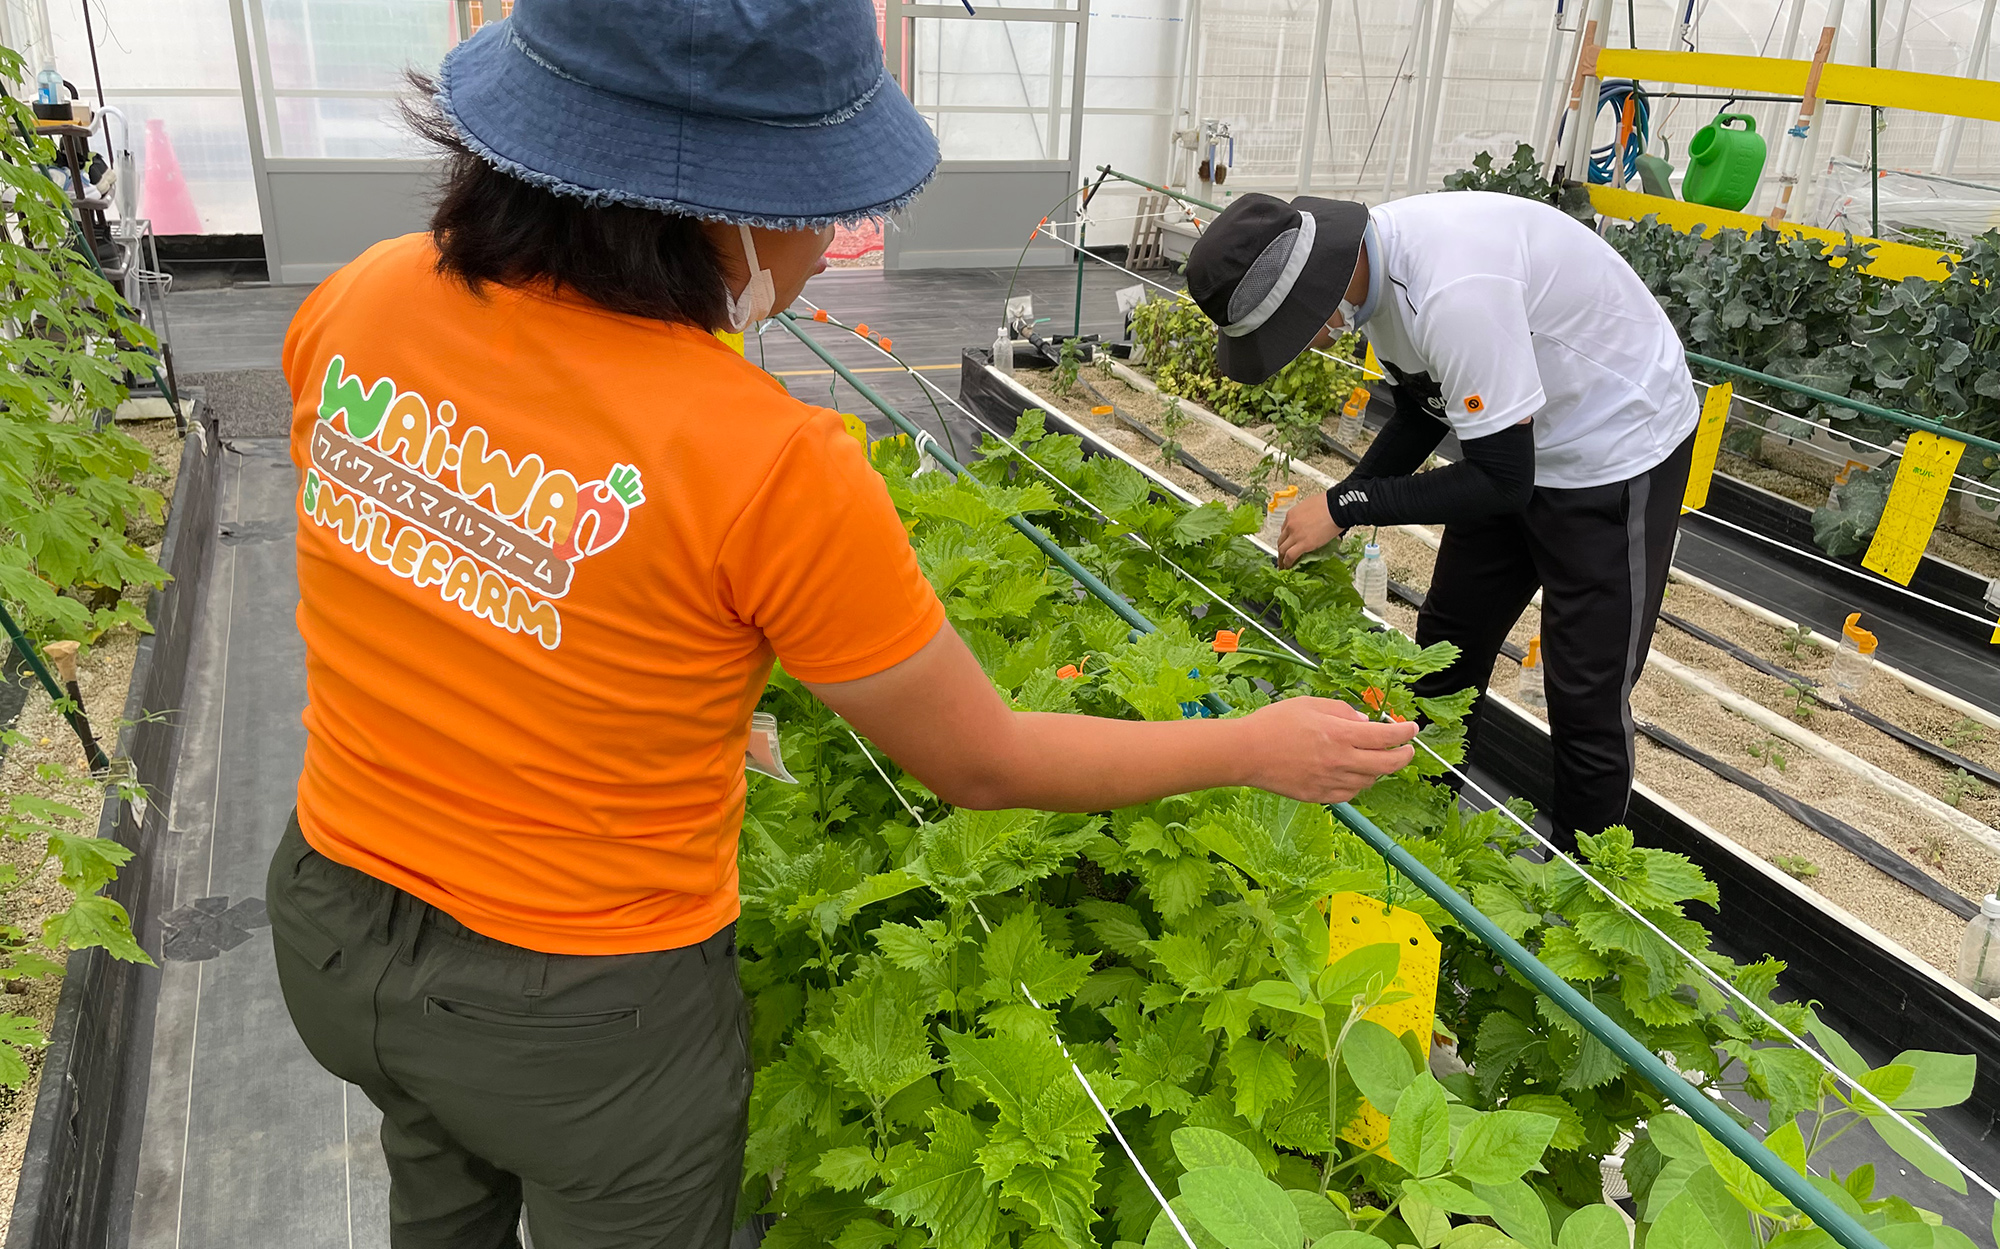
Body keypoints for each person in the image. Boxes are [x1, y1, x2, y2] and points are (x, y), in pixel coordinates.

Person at [270, 3, 1420, 1245]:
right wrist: (1250, 746)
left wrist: (695, 697)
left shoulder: (363, 299)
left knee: (438, 1197)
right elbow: (981, 761)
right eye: (817, 203)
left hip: (335, 924)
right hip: (583, 1019)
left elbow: (449, 573)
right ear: (708, 206)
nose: (826, 244)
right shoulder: (768, 460)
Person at [1184, 189, 1699, 847]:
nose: (1297, 347)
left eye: (1286, 332)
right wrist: (1346, 502)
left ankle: (1585, 895)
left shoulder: (1453, 292)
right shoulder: (1374, 281)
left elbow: (1501, 483)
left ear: (1315, 295)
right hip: (1510, 439)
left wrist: (1346, 503)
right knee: (1448, 640)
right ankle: (1422, 828)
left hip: (1615, 445)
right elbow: (1424, 410)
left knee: (1583, 692)